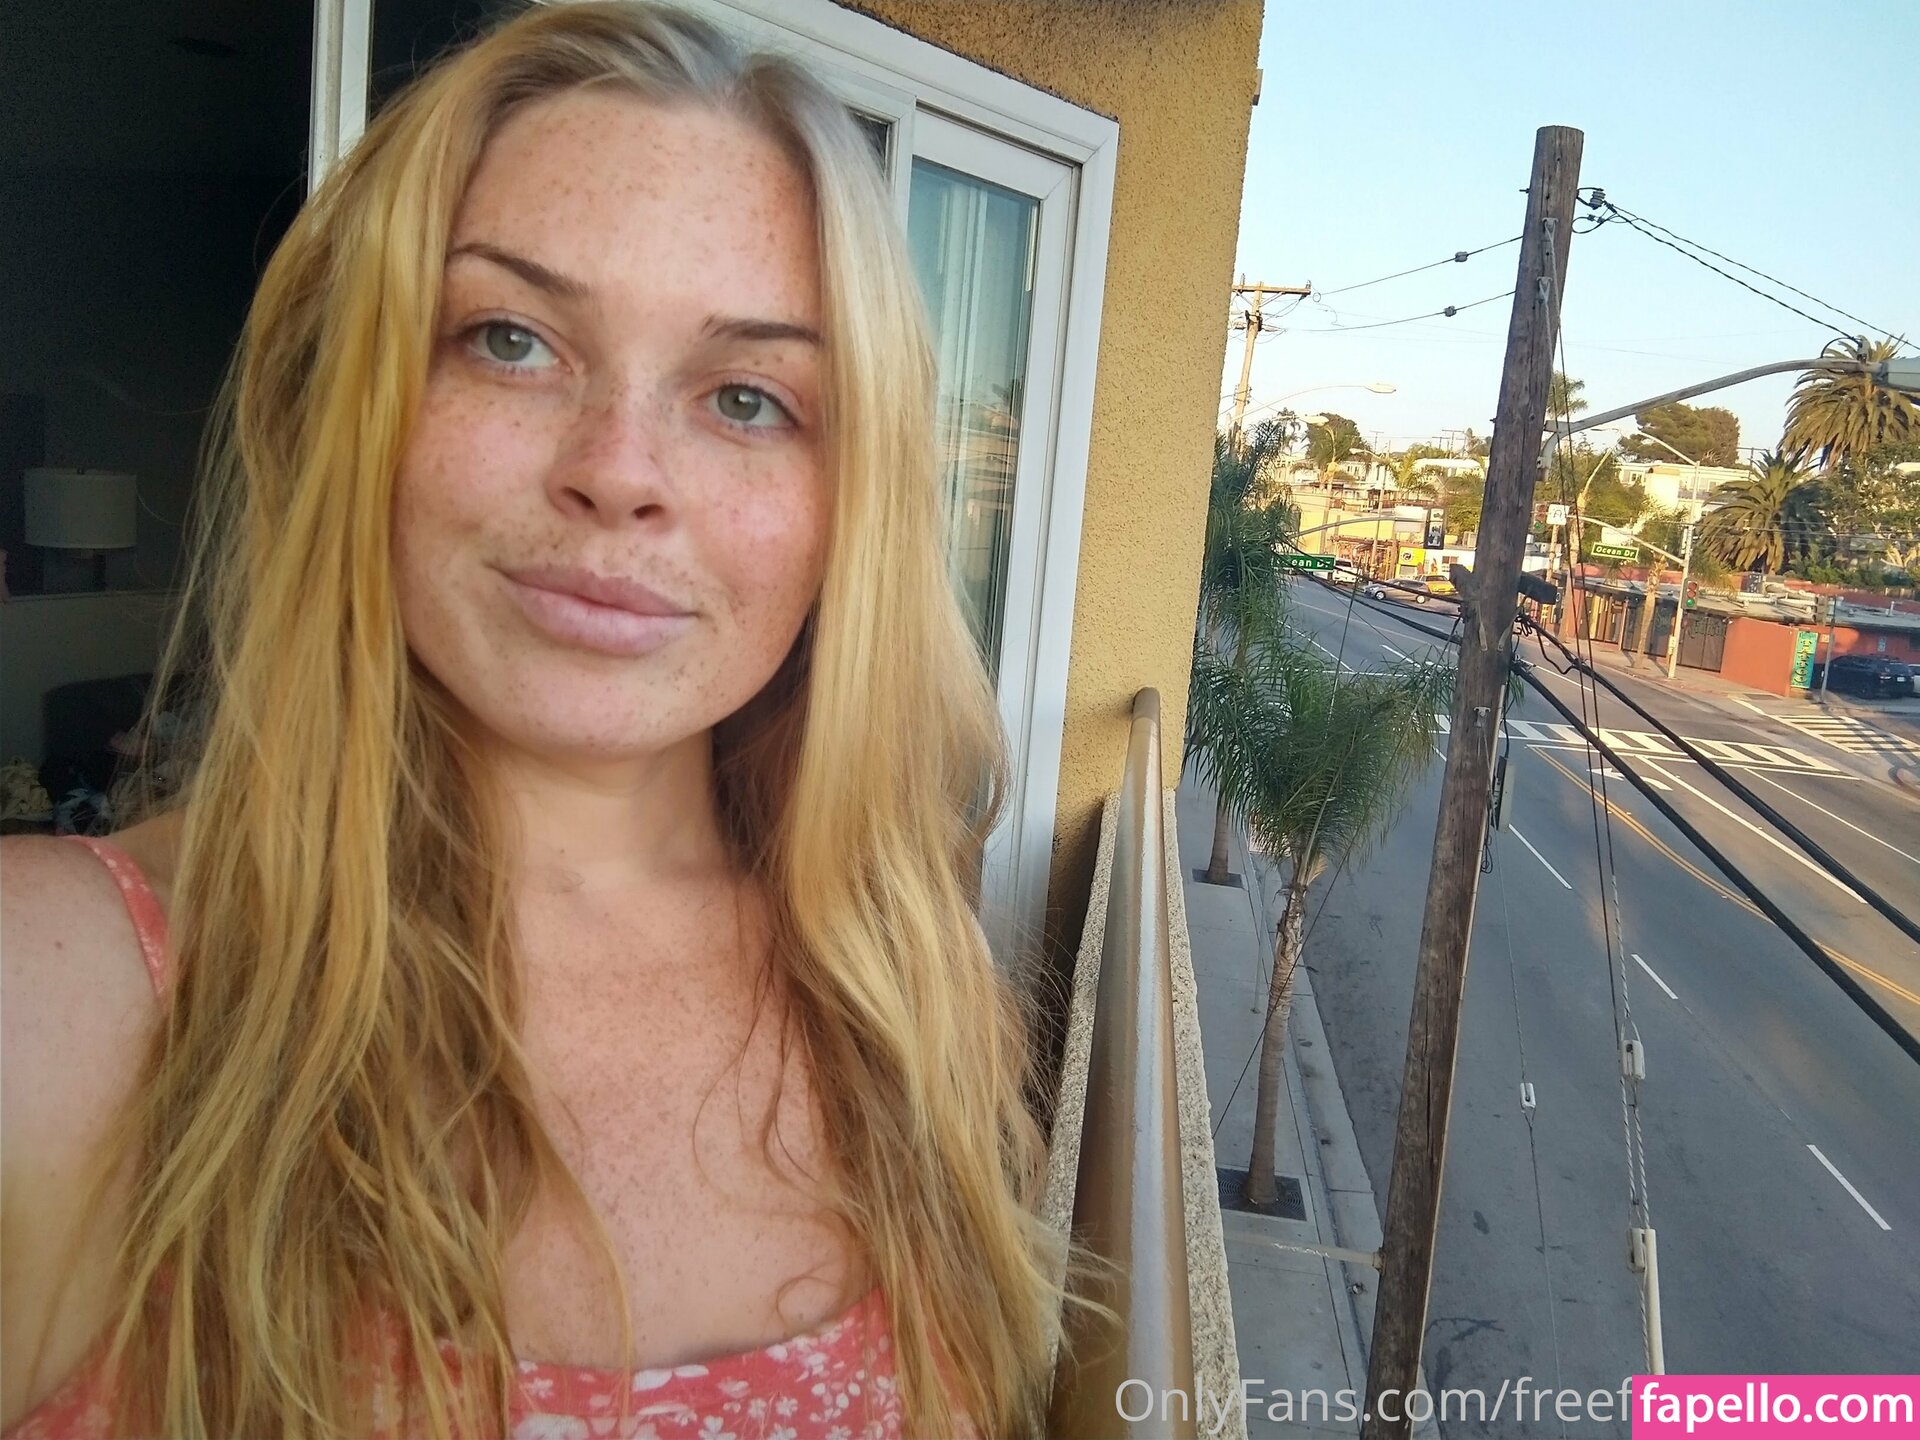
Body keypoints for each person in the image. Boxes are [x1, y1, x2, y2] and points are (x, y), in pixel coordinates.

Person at [0, 5, 1065, 1436]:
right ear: (358, 410)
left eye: (749, 398)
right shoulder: (58, 1002)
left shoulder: (909, 994)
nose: (618, 471)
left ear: (846, 508)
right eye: (509, 340)